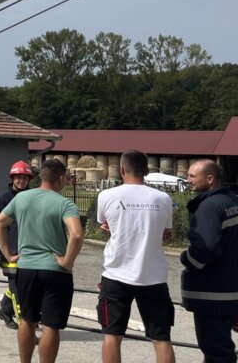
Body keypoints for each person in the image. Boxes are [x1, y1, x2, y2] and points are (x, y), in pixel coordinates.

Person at [0, 158, 83, 363]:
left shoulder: (21, 198)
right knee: (51, 325)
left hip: (26, 268)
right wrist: (67, 261)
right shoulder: (64, 203)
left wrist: (8, 255)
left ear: (40, 177)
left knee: (26, 320)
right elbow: (77, 235)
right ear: (60, 179)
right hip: (55, 271)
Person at [95, 150, 175, 363]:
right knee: (161, 338)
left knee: (112, 336)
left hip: (116, 274)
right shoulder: (163, 198)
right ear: (147, 170)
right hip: (154, 276)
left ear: (121, 169)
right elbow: (166, 235)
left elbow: (106, 226)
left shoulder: (106, 196)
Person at [180, 159, 238, 363]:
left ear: (210, 179)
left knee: (216, 350)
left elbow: (205, 248)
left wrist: (186, 259)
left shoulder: (209, 207)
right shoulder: (233, 202)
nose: (188, 180)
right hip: (231, 289)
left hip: (212, 292)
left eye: (193, 176)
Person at [0, 160, 34, 330]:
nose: (21, 181)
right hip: (9, 252)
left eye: (24, 178)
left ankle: (5, 311)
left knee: (18, 286)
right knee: (18, 290)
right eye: (18, 177)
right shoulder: (3, 198)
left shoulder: (32, 197)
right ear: (12, 178)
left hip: (27, 251)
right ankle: (24, 323)